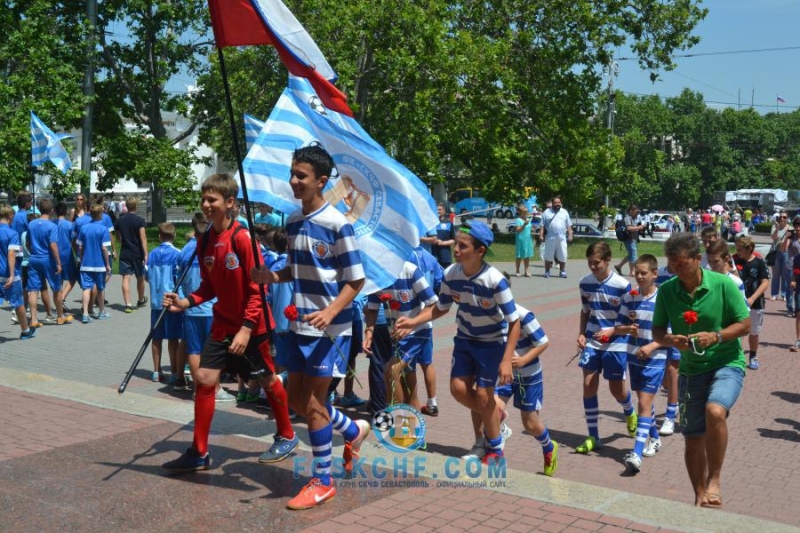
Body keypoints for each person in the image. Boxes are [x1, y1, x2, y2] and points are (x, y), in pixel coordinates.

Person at [251, 146, 369, 510]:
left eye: (301, 176)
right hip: (299, 323)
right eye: (292, 174)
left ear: (321, 181)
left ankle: (323, 480)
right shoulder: (293, 221)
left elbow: (356, 279)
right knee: (299, 401)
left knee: (315, 403)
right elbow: (297, 268)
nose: (294, 181)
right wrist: (271, 275)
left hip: (330, 328)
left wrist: (332, 311)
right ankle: (352, 430)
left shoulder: (337, 223)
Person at [161, 173, 297, 474]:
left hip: (254, 326)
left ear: (230, 202)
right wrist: (186, 302)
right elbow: (209, 287)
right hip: (223, 324)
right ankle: (199, 452)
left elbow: (257, 288)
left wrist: (247, 328)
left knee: (267, 380)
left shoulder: (242, 238)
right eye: (204, 199)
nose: (206, 204)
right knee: (205, 379)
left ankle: (286, 435)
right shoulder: (206, 239)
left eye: (213, 200)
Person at [395, 219, 521, 466]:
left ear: (480, 251)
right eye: (456, 244)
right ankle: (496, 420)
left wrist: (507, 360)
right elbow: (440, 308)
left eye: (463, 246)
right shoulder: (451, 273)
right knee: (458, 389)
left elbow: (514, 322)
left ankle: (493, 448)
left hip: (491, 343)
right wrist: (413, 322)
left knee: (485, 396)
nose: (456, 250)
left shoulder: (495, 280)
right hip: (464, 340)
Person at [652, 232, 750, 508]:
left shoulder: (723, 285)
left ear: (698, 259)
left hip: (726, 363)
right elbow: (657, 331)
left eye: (682, 263)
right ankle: (699, 494)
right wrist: (671, 339)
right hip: (691, 370)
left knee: (715, 411)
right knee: (693, 436)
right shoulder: (668, 290)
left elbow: (745, 325)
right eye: (672, 264)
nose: (676, 269)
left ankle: (715, 479)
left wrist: (716, 336)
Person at [466, 299, 558, 476]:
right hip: (504, 374)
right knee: (487, 405)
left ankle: (548, 446)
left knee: (530, 424)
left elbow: (544, 342)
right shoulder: (489, 315)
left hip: (529, 376)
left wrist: (523, 360)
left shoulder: (524, 315)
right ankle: (494, 441)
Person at [575, 241, 637, 454]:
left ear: (608, 260)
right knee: (588, 384)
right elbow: (585, 311)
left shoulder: (622, 285)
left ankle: (629, 411)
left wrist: (616, 331)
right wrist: (582, 333)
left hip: (616, 342)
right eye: (590, 263)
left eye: (597, 263)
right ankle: (593, 436)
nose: (593, 267)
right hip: (593, 340)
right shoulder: (584, 283)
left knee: (616, 390)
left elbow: (630, 316)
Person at [609, 255, 667, 473]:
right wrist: (627, 329)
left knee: (644, 402)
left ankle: (636, 453)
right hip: (633, 356)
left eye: (644, 273)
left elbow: (669, 334)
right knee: (645, 402)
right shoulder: (630, 297)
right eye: (637, 272)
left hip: (655, 358)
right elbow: (618, 326)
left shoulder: (663, 299)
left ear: (654, 274)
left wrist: (652, 346)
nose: (639, 276)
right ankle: (654, 437)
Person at [366, 260, 438, 419]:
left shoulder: (411, 271)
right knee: (409, 385)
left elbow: (433, 304)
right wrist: (369, 332)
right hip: (396, 336)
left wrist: (412, 324)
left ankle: (398, 424)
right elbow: (372, 309)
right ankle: (417, 434)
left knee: (391, 371)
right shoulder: (375, 275)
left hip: (417, 332)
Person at [176, 215, 234, 400]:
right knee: (211, 352)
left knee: (194, 350)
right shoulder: (212, 249)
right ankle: (214, 389)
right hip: (209, 307)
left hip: (191, 306)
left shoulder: (184, 251)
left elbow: (177, 277)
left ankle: (197, 389)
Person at [146, 223, 183, 383]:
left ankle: (156, 371)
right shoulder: (177, 254)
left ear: (160, 236)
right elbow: (179, 277)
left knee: (156, 337)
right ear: (174, 236)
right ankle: (174, 372)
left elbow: (146, 275)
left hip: (156, 301)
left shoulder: (152, 254)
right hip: (171, 302)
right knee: (173, 338)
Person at [26, 199, 68, 326]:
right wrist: (58, 263)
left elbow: (28, 242)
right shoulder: (52, 226)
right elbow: (53, 245)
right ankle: (60, 316)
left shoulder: (32, 224)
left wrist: (32, 251)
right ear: (51, 211)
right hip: (48, 259)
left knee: (33, 290)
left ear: (39, 209)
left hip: (34, 258)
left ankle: (33, 320)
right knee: (56, 288)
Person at [733, 235, 770, 370]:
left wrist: (753, 298)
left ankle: (753, 356)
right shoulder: (733, 260)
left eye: (740, 249)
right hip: (736, 303)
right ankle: (736, 356)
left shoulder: (759, 262)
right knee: (736, 331)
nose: (737, 252)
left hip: (755, 303)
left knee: (754, 332)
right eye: (736, 248)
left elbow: (765, 282)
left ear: (750, 249)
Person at [0, 206, 36, 339]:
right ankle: (25, 330)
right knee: (18, 302)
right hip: (9, 274)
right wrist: (11, 274)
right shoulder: (12, 234)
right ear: (10, 216)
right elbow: (11, 254)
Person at [75, 204, 111, 323]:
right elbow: (104, 249)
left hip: (86, 263)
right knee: (100, 289)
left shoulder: (84, 228)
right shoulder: (103, 229)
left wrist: (81, 257)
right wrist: (107, 264)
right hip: (99, 265)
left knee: (86, 288)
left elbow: (79, 246)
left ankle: (85, 313)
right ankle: (101, 312)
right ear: (100, 214)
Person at [114, 197, 148, 312]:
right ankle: (140, 299)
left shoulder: (120, 220)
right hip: (137, 253)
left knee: (126, 278)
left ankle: (128, 304)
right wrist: (146, 253)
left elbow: (117, 235)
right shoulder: (140, 221)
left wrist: (121, 240)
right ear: (136, 207)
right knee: (140, 278)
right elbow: (143, 238)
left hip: (125, 252)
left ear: (126, 207)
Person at [539, 196, 573, 278]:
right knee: (548, 255)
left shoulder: (564, 212)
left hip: (562, 238)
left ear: (560, 203)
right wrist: (541, 235)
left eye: (559, 202)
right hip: (550, 238)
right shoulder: (546, 212)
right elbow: (542, 226)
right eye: (555, 203)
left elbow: (568, 225)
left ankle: (562, 271)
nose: (557, 204)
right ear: (552, 203)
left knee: (563, 255)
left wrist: (570, 234)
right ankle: (547, 271)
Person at [54, 203, 78, 314]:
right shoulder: (69, 225)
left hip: (54, 255)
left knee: (59, 280)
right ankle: (62, 297)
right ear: (66, 211)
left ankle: (58, 300)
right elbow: (73, 239)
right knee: (72, 277)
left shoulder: (52, 224)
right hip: (66, 254)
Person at [614, 204, 645, 277]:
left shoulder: (632, 218)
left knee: (631, 255)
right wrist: (639, 227)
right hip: (629, 239)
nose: (637, 213)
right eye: (636, 212)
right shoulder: (627, 218)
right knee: (633, 255)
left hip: (632, 239)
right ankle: (632, 271)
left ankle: (619, 266)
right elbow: (629, 228)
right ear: (631, 211)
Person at [770, 210, 790, 301]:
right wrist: (777, 229)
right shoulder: (775, 226)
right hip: (776, 251)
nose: (782, 218)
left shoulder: (790, 228)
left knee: (785, 274)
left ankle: (784, 294)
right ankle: (774, 294)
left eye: (784, 217)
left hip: (786, 252)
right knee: (776, 274)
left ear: (787, 219)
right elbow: (773, 238)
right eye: (781, 217)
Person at [431, 203, 456, 269]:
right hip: (432, 254)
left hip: (445, 256)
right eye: (436, 210)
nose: (438, 211)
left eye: (440, 209)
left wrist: (442, 243)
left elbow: (453, 240)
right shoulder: (431, 223)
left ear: (444, 211)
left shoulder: (449, 223)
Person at [513, 205, 534, 277]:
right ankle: (517, 270)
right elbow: (518, 230)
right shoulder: (518, 220)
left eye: (526, 210)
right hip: (521, 240)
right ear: (520, 212)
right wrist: (524, 225)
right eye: (524, 210)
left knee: (527, 256)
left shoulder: (528, 219)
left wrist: (532, 228)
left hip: (528, 240)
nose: (526, 211)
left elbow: (529, 229)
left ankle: (526, 271)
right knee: (519, 255)